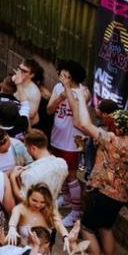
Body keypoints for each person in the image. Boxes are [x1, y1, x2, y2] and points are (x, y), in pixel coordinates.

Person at [69, 92, 128, 255]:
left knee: (88, 228)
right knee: (106, 228)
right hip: (120, 195)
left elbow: (84, 124)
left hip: (104, 193)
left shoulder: (110, 139)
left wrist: (83, 102)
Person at [46, 60, 88, 227]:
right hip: (57, 137)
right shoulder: (58, 88)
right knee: (59, 171)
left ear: (74, 78)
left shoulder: (83, 92)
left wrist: (67, 92)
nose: (62, 79)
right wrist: (59, 97)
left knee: (71, 175)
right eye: (61, 75)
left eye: (66, 77)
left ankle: (76, 212)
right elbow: (49, 110)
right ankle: (66, 199)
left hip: (74, 141)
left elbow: (77, 113)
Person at [11, 129, 67, 204]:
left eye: (27, 148)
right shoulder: (62, 163)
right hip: (53, 207)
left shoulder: (30, 174)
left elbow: (23, 199)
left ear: (33, 148)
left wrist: (12, 178)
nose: (27, 151)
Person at [5, 183, 69, 249]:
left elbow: (59, 224)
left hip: (44, 254)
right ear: (28, 197)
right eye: (34, 200)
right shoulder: (20, 208)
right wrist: (12, 227)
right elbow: (14, 219)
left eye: (42, 202)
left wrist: (65, 236)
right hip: (24, 252)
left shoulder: (50, 210)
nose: (38, 205)